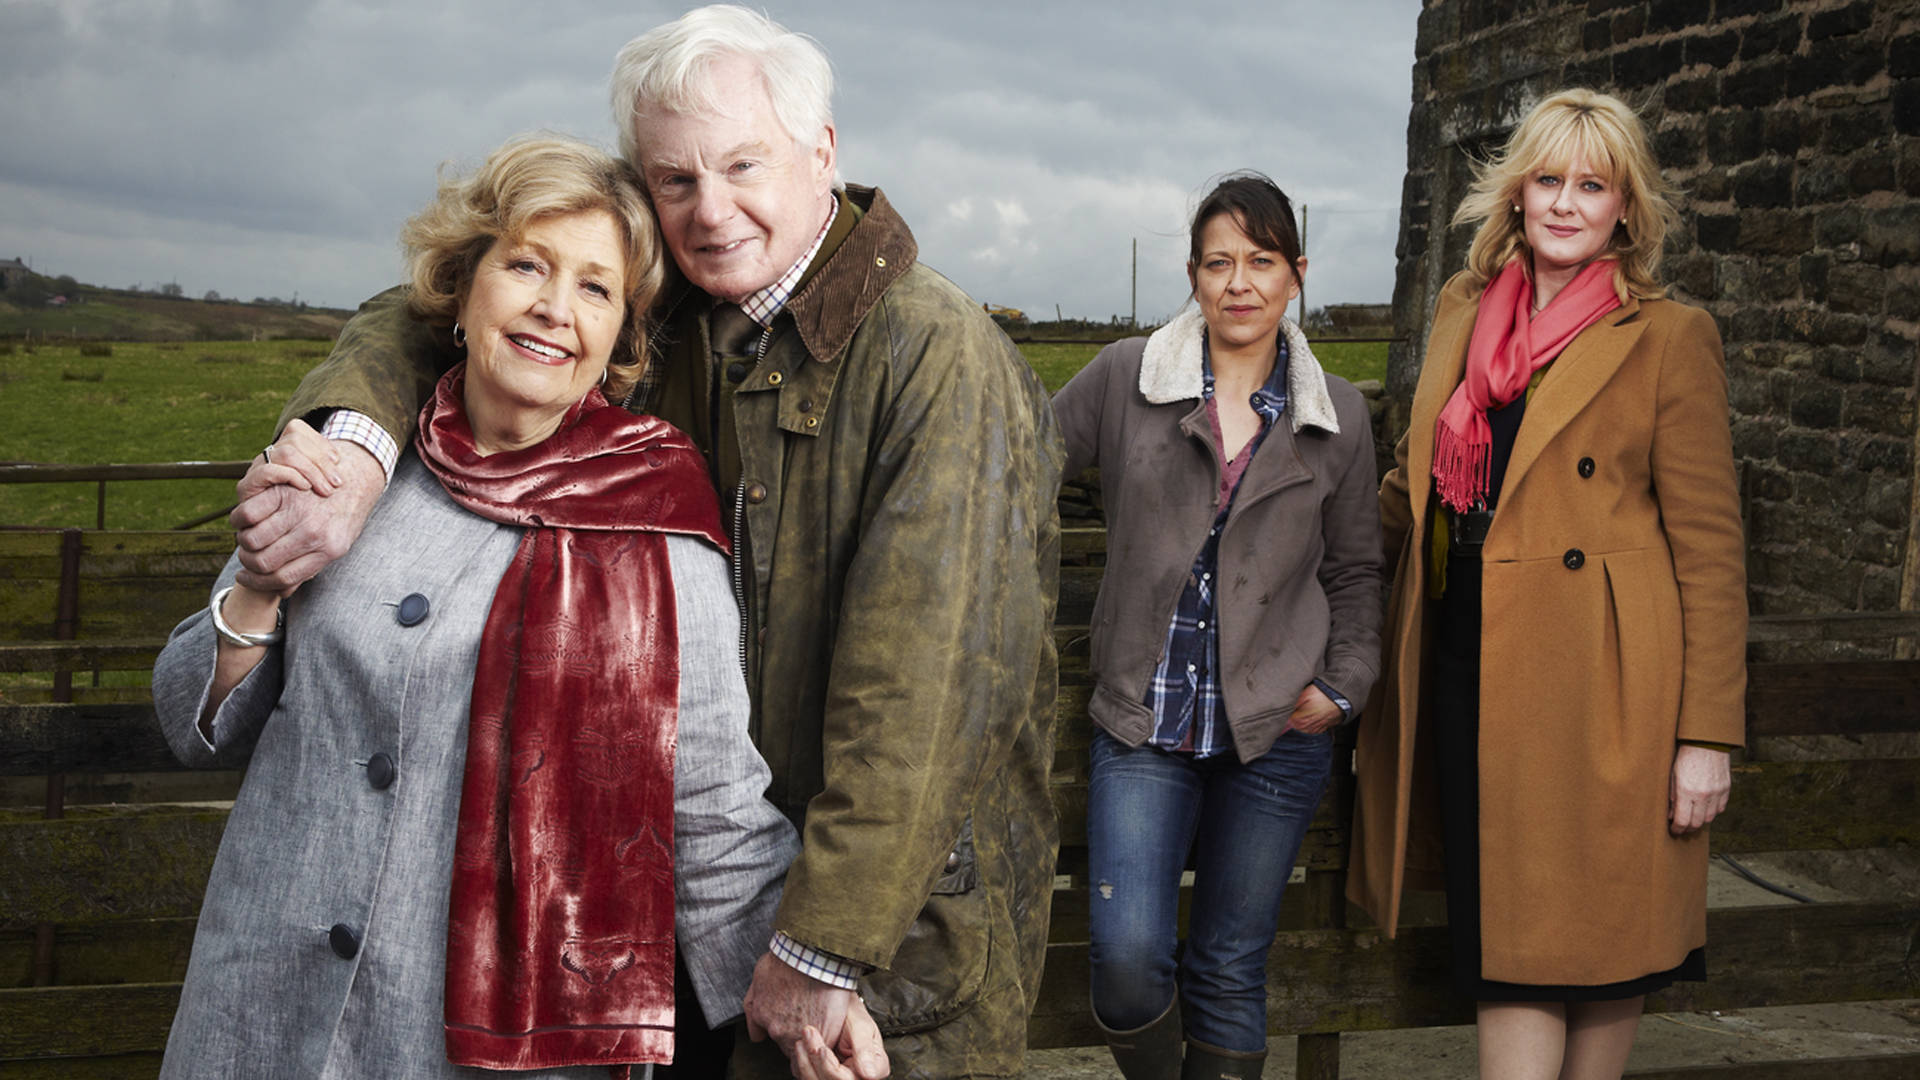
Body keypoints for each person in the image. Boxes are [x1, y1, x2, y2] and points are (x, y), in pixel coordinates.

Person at [224, 7, 1063, 1078]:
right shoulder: (675, 311)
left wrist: (821, 947)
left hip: (879, 945)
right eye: (674, 181)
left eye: (742, 165)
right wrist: (352, 448)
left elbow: (927, 700)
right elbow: (428, 306)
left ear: (824, 152)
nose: (711, 211)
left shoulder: (938, 361)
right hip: (683, 924)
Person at [151, 134, 822, 1079]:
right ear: (462, 292)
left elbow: (711, 808)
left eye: (595, 288)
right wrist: (259, 584)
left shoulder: (659, 523)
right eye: (527, 266)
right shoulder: (356, 469)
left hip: (472, 1046)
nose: (555, 307)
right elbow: (194, 730)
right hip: (261, 1010)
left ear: (618, 338)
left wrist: (812, 994)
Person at [1348, 88, 1747, 1080]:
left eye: (1592, 185)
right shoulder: (1461, 306)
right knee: (1510, 950)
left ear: (1626, 208)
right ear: (1514, 192)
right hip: (1468, 661)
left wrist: (1706, 737)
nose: (1565, 203)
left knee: (1606, 949)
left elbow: (1709, 547)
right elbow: (1412, 483)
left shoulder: (1667, 335)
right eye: (1547, 180)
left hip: (1606, 682)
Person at [1051, 173, 1383, 1079]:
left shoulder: (1339, 415)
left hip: (1277, 732)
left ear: (1296, 275)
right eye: (1219, 261)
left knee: (1231, 968)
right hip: (1143, 724)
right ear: (1193, 275)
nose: (1240, 282)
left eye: (1262, 261)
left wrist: (1344, 683)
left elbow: (1356, 569)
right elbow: (1017, 467)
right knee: (1125, 961)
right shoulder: (1128, 376)